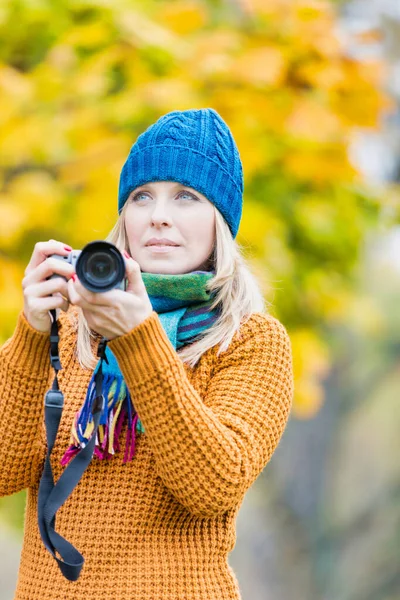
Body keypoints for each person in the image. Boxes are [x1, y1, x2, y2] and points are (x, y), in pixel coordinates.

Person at [0, 108, 294, 600]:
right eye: (141, 196)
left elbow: (212, 486)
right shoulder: (71, 330)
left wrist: (137, 340)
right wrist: (31, 333)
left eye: (185, 196)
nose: (159, 214)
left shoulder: (250, 341)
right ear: (125, 218)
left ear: (220, 219)